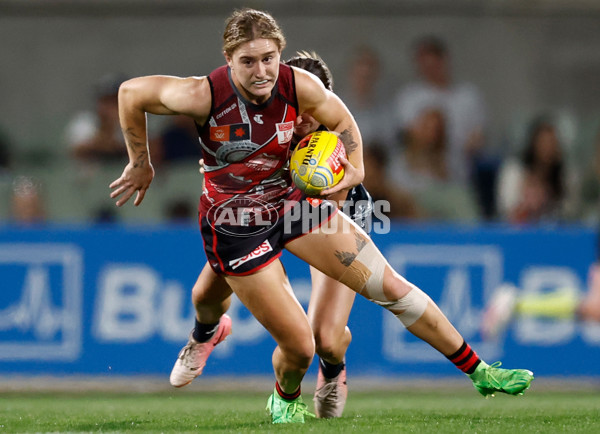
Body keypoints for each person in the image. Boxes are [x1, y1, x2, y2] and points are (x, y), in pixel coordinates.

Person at [110, 9, 534, 424]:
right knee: (286, 341)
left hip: (296, 207)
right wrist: (140, 162)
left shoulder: (301, 88)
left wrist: (356, 170)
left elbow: (344, 119)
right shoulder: (202, 94)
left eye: (269, 58)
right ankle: (213, 339)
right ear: (229, 60)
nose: (261, 71)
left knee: (371, 304)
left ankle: (477, 370)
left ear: (281, 54)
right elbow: (131, 93)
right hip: (235, 222)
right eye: (248, 61)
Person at [168, 51, 373, 419]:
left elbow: (338, 199)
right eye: (299, 105)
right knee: (203, 296)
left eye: (314, 105)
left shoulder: (334, 147)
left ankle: (333, 368)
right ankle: (204, 333)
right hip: (260, 221)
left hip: (326, 221)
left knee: (325, 338)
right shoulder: (265, 133)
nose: (306, 117)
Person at [393, 35, 492, 217]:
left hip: (457, 177)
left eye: (434, 64)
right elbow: (409, 140)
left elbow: (478, 140)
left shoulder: (468, 96)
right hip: (417, 181)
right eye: (425, 65)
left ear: (445, 61)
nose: (430, 70)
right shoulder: (410, 97)